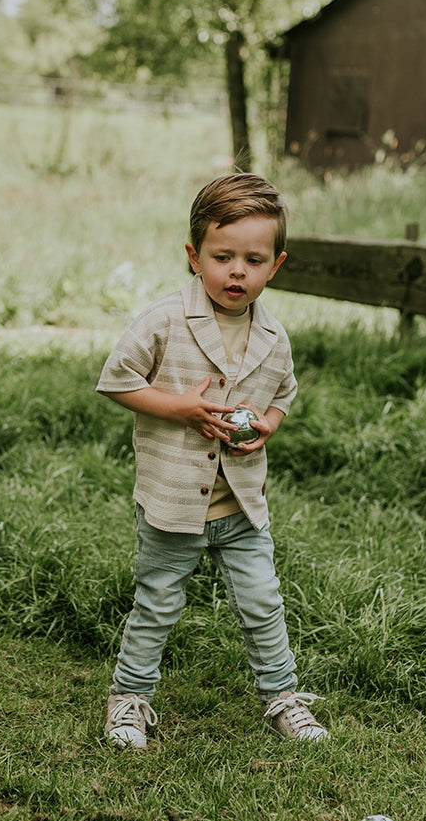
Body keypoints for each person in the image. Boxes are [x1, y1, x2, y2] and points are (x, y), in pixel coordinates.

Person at [97, 173, 327, 749]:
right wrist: (181, 409)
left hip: (242, 506)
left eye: (254, 259)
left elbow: (283, 395)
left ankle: (283, 698)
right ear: (194, 256)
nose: (237, 272)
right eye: (223, 257)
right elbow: (115, 381)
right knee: (157, 602)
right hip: (173, 501)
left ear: (275, 265)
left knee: (262, 602)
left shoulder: (273, 336)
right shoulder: (164, 320)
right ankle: (129, 700)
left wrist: (266, 428)